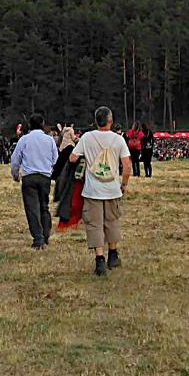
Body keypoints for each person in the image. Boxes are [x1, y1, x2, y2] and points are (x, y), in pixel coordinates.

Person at [69, 106, 132, 276]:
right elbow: (127, 166)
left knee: (94, 224)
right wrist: (124, 184)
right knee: (112, 221)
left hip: (92, 190)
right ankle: (113, 254)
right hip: (112, 188)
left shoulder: (87, 137)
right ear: (110, 121)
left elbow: (72, 157)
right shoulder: (118, 140)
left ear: (96, 121)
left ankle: (99, 260)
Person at [10, 113, 59, 249]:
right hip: (45, 177)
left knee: (32, 208)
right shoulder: (49, 140)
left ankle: (38, 238)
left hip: (29, 177)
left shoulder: (24, 139)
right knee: (44, 206)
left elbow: (15, 159)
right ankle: (46, 234)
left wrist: (15, 174)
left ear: (30, 125)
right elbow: (56, 159)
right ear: (43, 124)